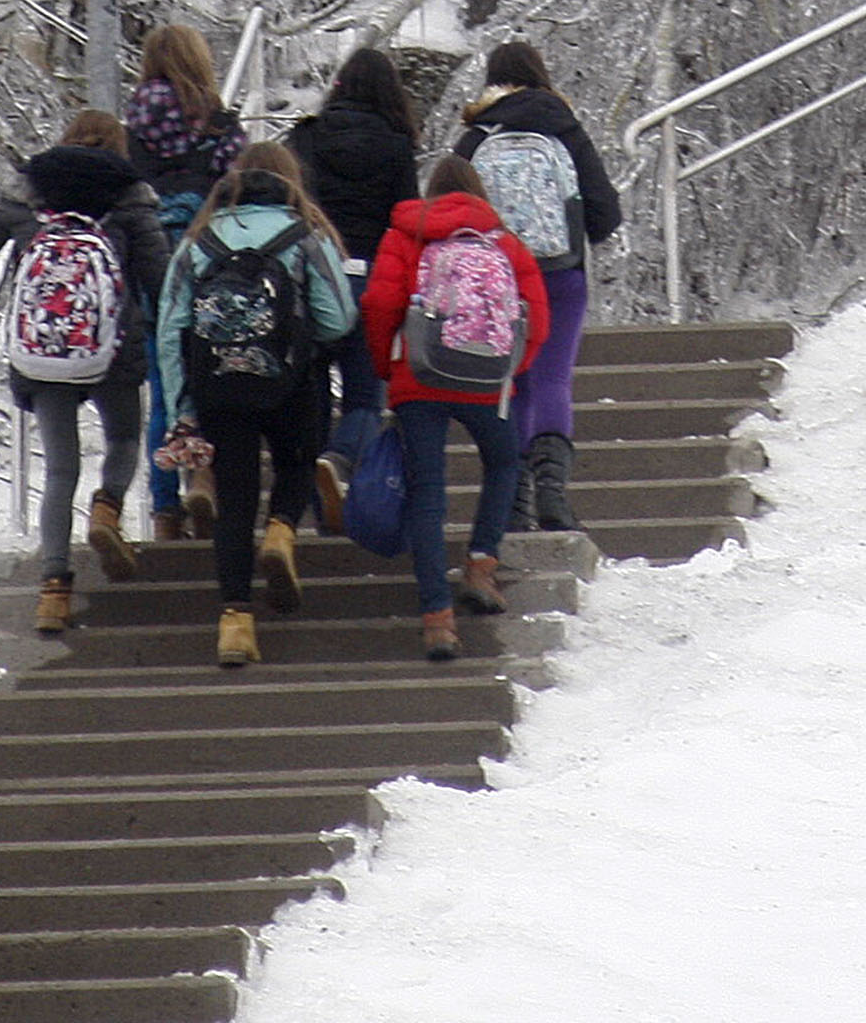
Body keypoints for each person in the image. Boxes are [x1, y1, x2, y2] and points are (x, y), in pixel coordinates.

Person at [0, 108, 168, 635]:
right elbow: (162, 278)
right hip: (113, 345)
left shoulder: (28, 196)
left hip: (43, 350)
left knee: (59, 471)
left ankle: (53, 593)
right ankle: (109, 509)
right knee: (123, 439)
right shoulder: (130, 197)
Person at [152, 139, 358, 670]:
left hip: (219, 385)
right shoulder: (306, 234)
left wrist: (182, 407)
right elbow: (338, 318)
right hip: (291, 383)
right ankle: (283, 530)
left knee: (235, 497)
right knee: (296, 460)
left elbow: (171, 327)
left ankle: (236, 624)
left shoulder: (200, 239)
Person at [361, 154, 548, 661]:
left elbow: (379, 304)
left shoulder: (404, 234)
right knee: (505, 460)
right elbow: (538, 316)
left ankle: (438, 619)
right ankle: (482, 565)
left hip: (419, 376)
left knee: (427, 494)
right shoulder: (502, 242)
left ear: (431, 192)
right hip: (486, 381)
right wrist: (506, 366)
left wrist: (387, 366)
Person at [450, 39, 625, 534]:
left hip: (496, 277)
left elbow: (447, 206)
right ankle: (553, 496)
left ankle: (513, 504)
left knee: (514, 385)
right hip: (560, 274)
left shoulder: (477, 134)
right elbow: (606, 213)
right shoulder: (564, 127)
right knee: (552, 379)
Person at [122, 21, 247, 539]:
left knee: (163, 381)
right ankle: (205, 477)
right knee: (214, 377)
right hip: (209, 261)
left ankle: (165, 509)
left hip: (151, 260)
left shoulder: (131, 128)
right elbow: (240, 196)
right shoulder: (221, 125)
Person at [291, 43, 423, 438]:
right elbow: (407, 216)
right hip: (373, 274)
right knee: (366, 396)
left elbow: (292, 204)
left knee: (308, 390)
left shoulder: (306, 137)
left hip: (314, 272)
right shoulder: (398, 145)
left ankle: (311, 478)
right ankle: (343, 460)